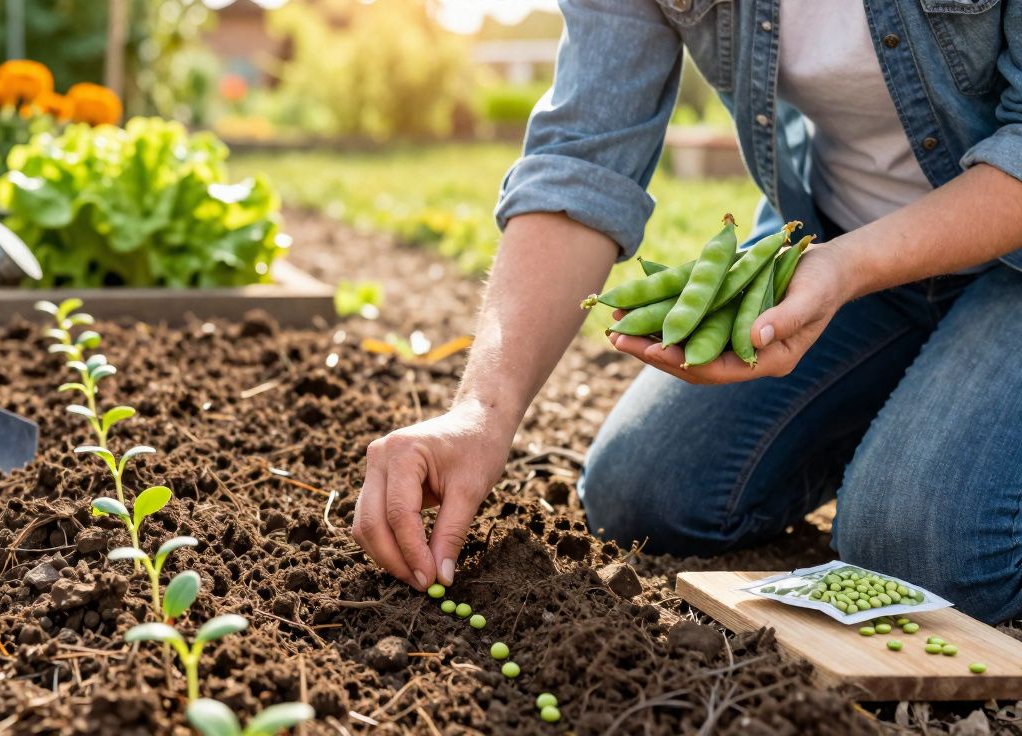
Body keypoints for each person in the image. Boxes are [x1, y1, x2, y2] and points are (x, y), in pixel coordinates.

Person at [352, 0, 1022, 624]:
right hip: (833, 239)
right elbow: (586, 150)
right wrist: (481, 413)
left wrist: (848, 270)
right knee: (644, 497)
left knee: (919, 550)